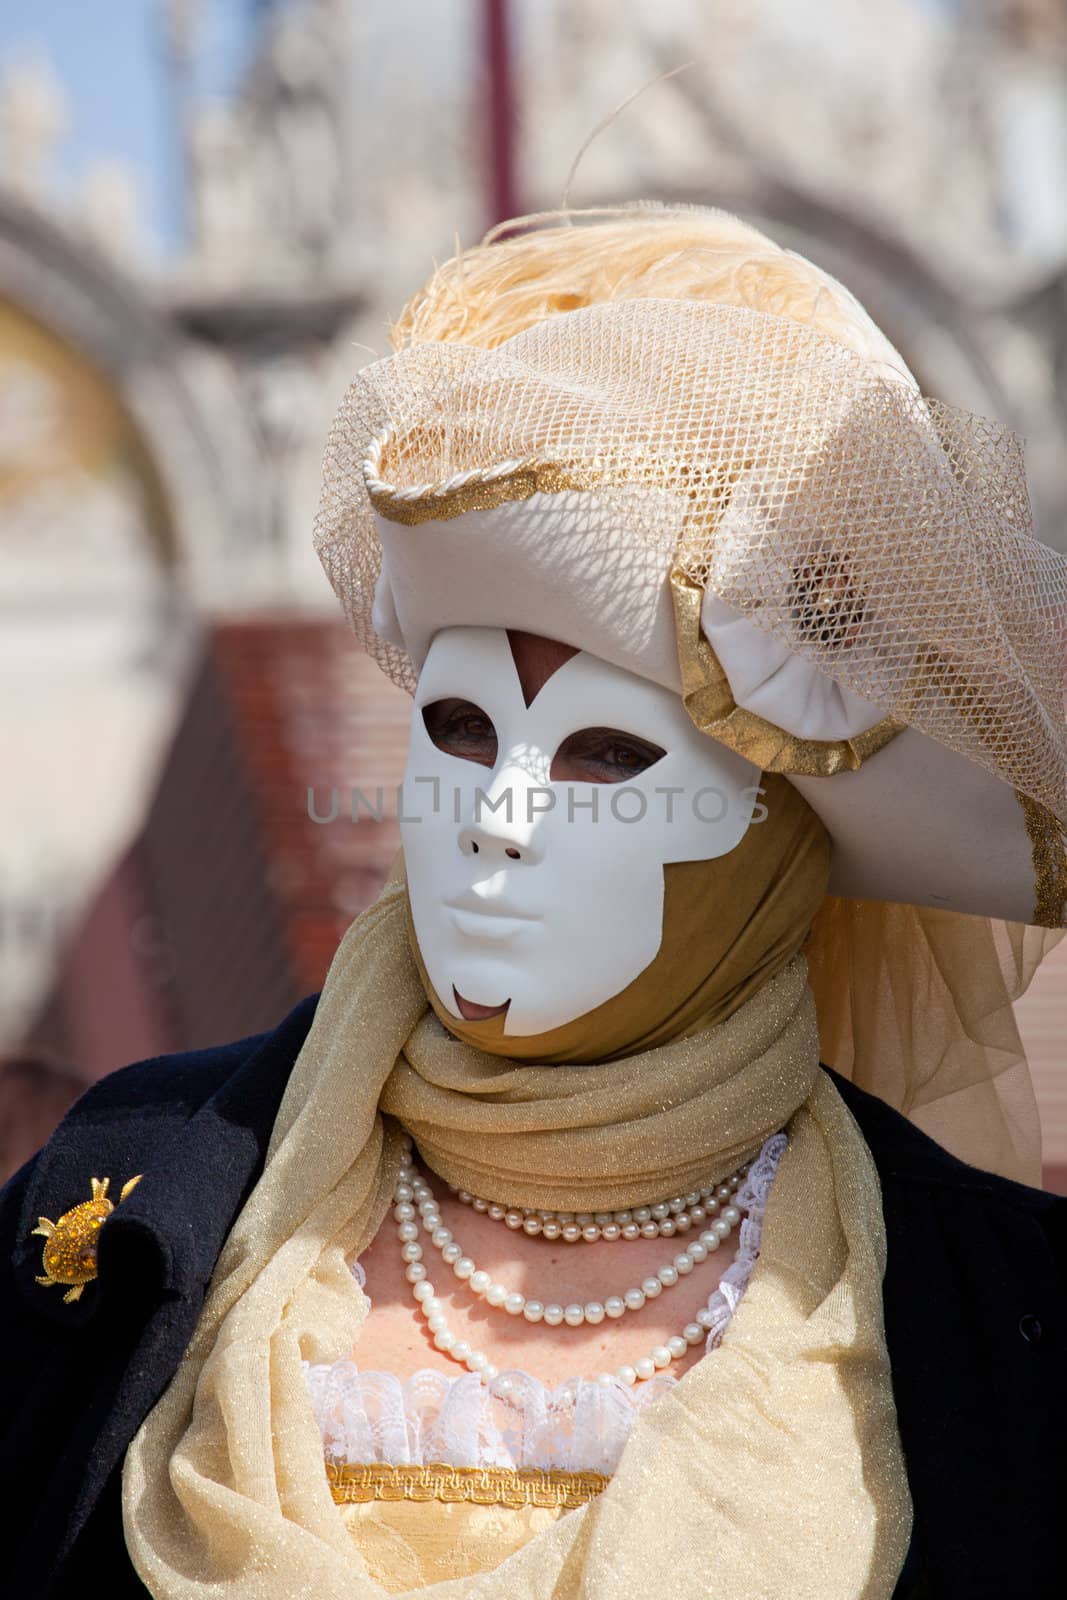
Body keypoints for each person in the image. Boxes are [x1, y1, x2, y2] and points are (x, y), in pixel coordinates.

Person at [3, 205, 1066, 1600]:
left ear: (779, 835)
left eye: (608, 755)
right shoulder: (112, 1211)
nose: (499, 819)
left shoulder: (1002, 1322)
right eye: (457, 726)